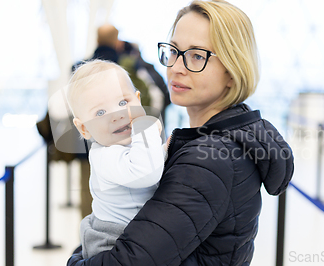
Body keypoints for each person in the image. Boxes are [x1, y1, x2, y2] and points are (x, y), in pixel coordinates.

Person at [68, 1, 294, 265]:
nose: (176, 67)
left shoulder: (209, 159)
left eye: (197, 55)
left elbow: (129, 260)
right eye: (173, 50)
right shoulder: (219, 140)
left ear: (232, 71)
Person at [66, 60, 166, 259]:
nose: (117, 115)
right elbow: (147, 172)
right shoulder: (104, 155)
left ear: (138, 100)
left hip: (135, 233)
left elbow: (154, 162)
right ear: (84, 128)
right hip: (112, 243)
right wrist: (146, 129)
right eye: (100, 112)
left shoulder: (129, 144)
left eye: (123, 103)